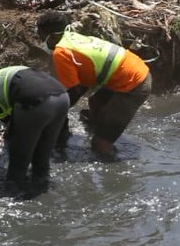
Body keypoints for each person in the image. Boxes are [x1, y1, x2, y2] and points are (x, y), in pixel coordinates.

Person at [36, 12, 151, 160]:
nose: (40, 39)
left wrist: (52, 114)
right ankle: (102, 129)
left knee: (99, 145)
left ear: (51, 36)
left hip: (134, 85)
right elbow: (82, 83)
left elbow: (75, 91)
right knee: (95, 102)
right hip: (134, 70)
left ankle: (112, 162)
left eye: (40, 35)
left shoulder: (61, 52)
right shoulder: (72, 38)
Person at [0, 53, 69, 193]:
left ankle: (13, 196)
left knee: (18, 163)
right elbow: (12, 118)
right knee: (41, 161)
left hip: (36, 102)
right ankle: (42, 195)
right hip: (62, 97)